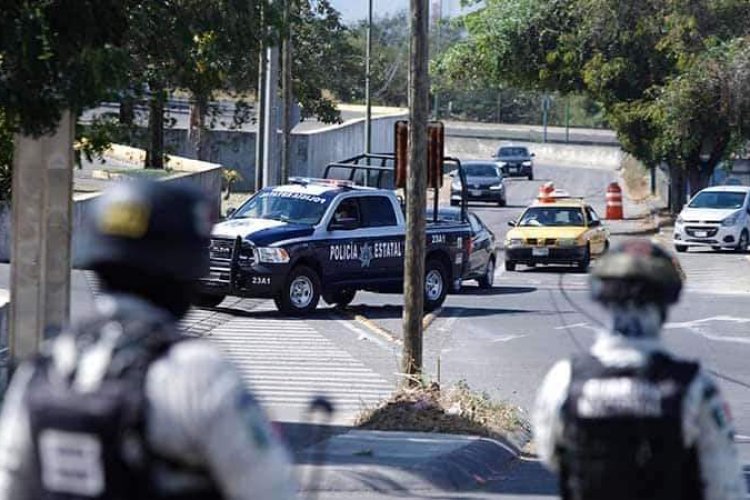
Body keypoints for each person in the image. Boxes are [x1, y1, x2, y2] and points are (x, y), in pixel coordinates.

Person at [0, 181, 296, 499]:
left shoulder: (45, 367)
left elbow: (10, 484)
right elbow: (270, 487)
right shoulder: (198, 373)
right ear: (186, 266)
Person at [533, 239, 745, 500]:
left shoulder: (564, 380)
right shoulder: (694, 387)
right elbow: (725, 486)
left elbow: (551, 455)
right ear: (669, 299)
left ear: (600, 295)